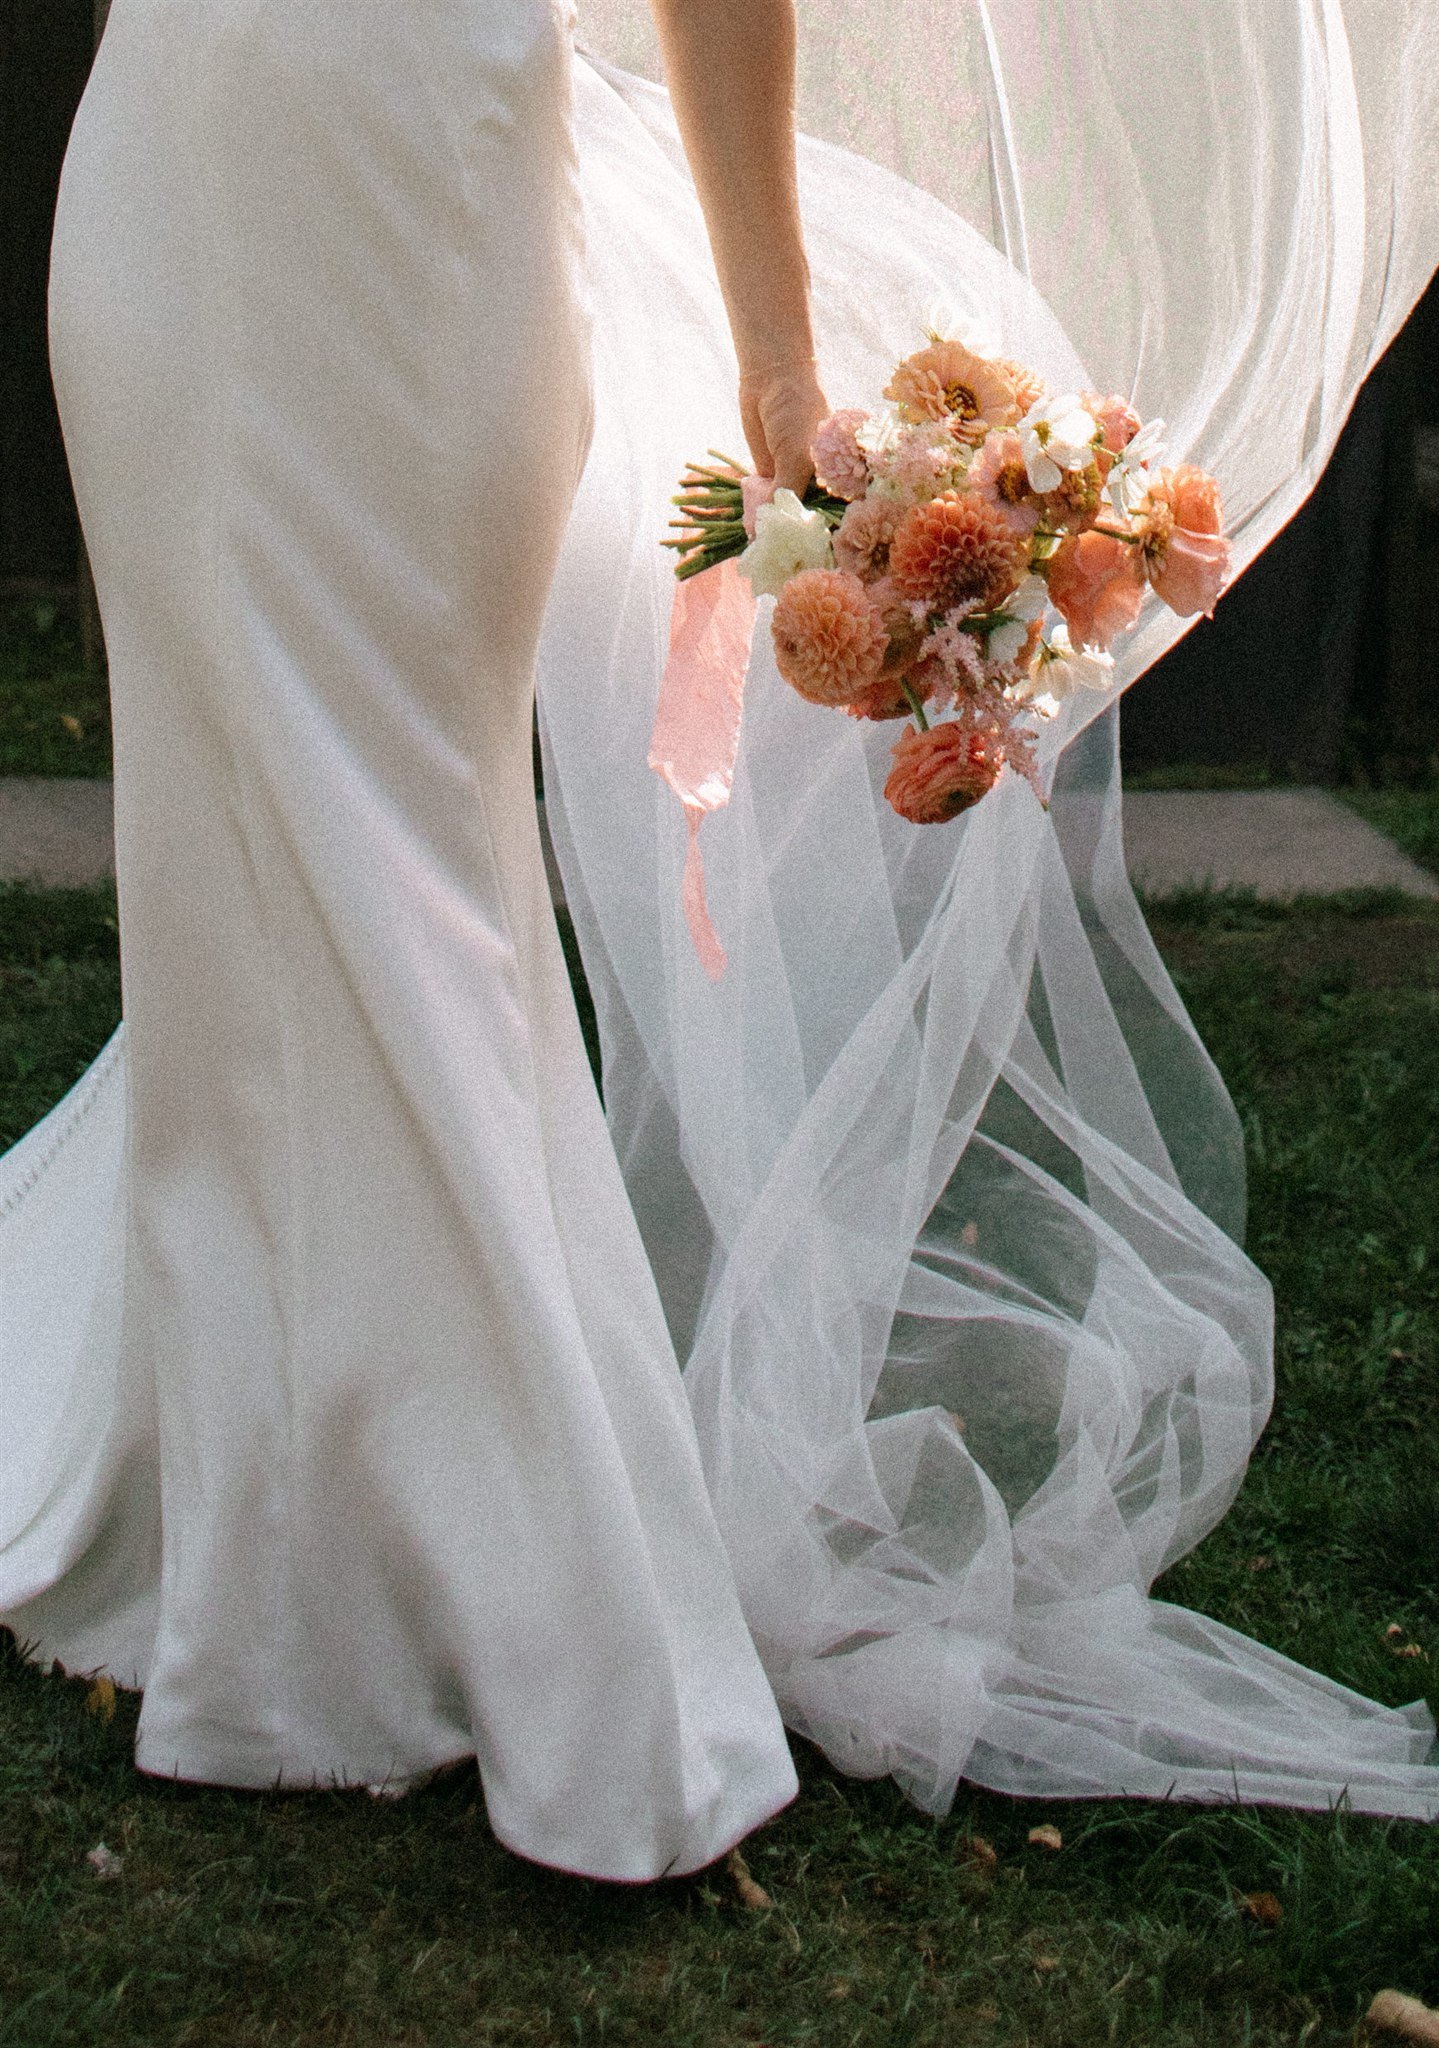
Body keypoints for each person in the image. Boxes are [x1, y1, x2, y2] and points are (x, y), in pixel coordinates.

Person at [0, 0, 832, 1885]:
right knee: (231, 869)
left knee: (407, 866)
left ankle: (466, 1562)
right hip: (175, 158)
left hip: (425, 197)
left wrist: (779, 363)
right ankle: (274, 1531)